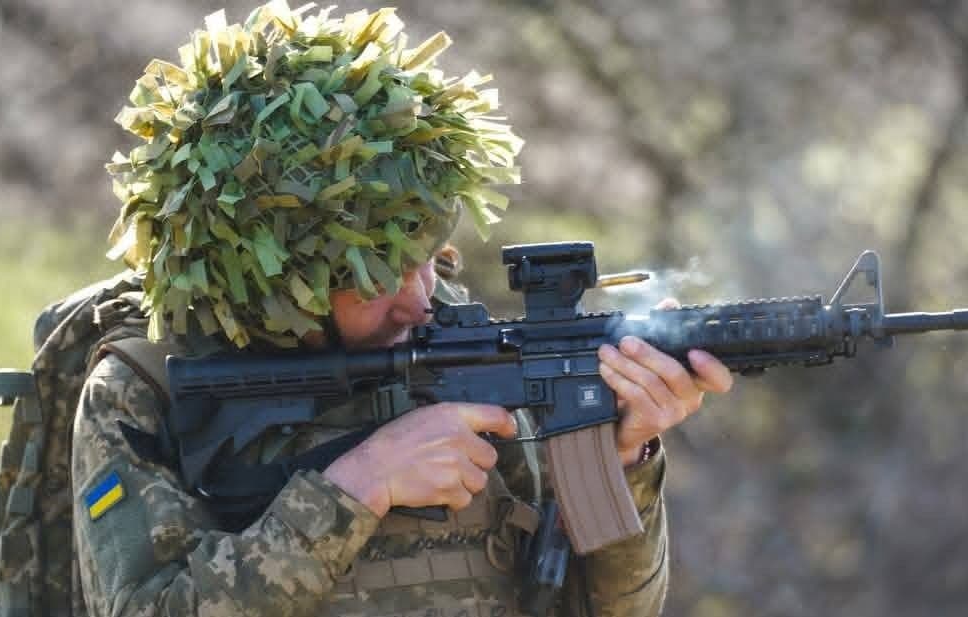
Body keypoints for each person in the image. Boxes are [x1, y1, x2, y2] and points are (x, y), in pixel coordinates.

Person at [74, 4, 733, 616]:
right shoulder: (146, 384)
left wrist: (624, 461)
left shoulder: (455, 339)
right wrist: (358, 484)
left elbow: (609, 607)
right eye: (375, 278)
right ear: (279, 287)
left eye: (426, 258)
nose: (420, 298)